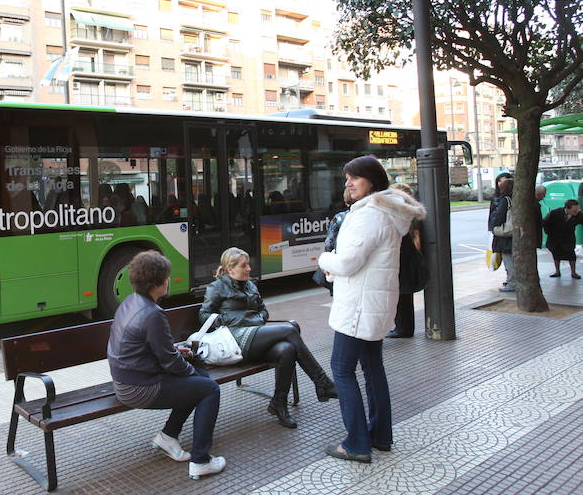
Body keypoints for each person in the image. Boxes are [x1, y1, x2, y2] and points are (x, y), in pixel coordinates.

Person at [317, 155, 425, 463]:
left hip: (358, 307)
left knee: (342, 369)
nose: (348, 183)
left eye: (355, 177)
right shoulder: (385, 212)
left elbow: (349, 261)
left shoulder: (368, 214)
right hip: (373, 304)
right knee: (372, 368)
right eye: (346, 177)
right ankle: (379, 435)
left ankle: (356, 443)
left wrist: (324, 261)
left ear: (373, 181)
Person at [107, 251, 226, 480]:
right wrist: (189, 371)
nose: (169, 280)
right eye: (166, 277)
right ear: (157, 283)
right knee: (209, 389)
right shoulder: (153, 313)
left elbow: (153, 350)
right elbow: (170, 362)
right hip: (138, 388)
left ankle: (168, 436)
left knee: (198, 378)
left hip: (128, 378)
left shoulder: (131, 302)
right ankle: (201, 460)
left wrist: (178, 354)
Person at [200, 247, 337, 430]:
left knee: (286, 350)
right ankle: (322, 382)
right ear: (230, 269)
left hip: (255, 338)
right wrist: (235, 320)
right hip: (233, 341)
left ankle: (278, 404)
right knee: (289, 331)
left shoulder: (250, 285)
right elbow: (204, 315)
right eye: (244, 265)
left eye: (249, 264)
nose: (249, 268)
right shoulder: (217, 287)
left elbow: (263, 311)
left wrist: (255, 319)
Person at [387, 183, 425, 338]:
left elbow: (416, 238)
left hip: (405, 259)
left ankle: (403, 328)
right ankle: (403, 327)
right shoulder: (408, 213)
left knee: (402, 295)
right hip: (407, 258)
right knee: (403, 295)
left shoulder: (406, 215)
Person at [543, 199, 582, 279]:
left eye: (578, 209)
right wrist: (549, 232)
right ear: (567, 208)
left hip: (568, 238)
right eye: (574, 210)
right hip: (555, 237)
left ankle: (573, 272)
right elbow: (545, 222)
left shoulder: (578, 215)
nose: (576, 212)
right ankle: (557, 271)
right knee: (556, 254)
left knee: (571, 255)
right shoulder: (555, 213)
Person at [489, 177, 515, 292]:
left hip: (506, 235)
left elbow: (499, 216)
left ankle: (512, 283)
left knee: (508, 260)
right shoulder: (516, 199)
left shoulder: (505, 200)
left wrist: (494, 226)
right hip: (516, 235)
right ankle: (514, 282)